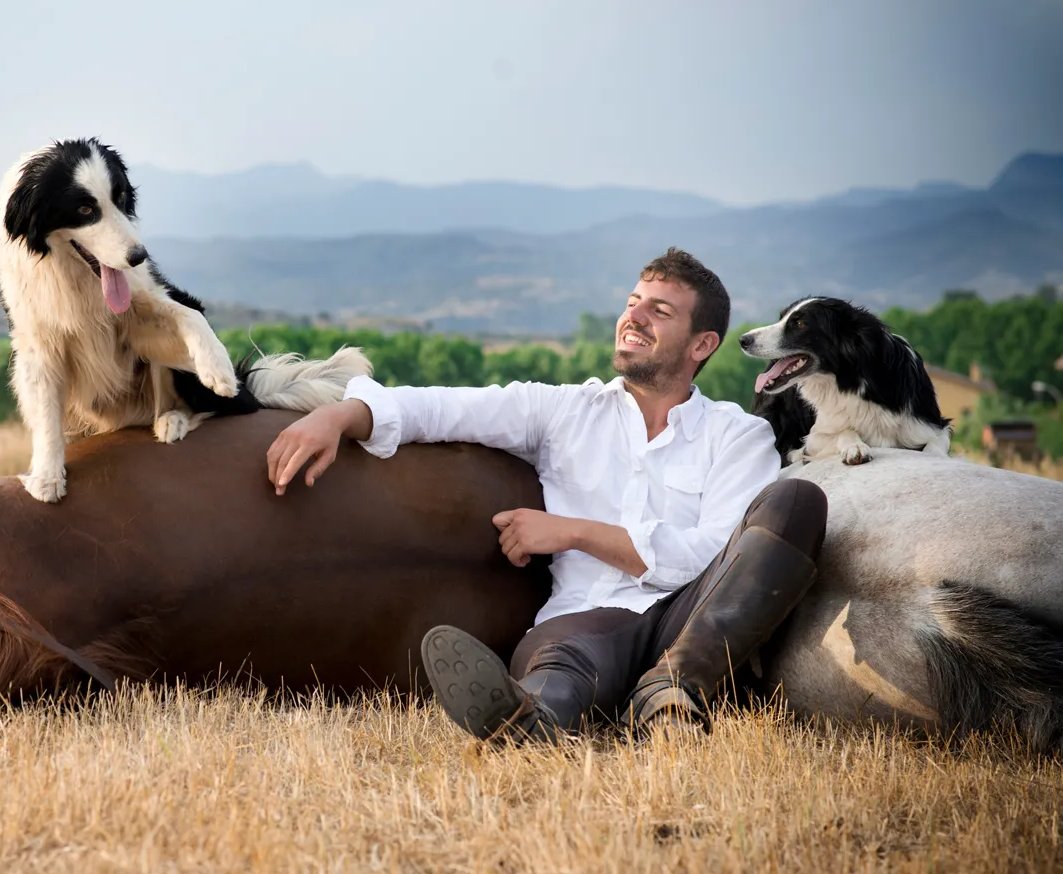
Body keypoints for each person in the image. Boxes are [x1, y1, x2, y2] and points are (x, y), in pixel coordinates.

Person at [265, 248, 827, 742]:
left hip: (693, 621)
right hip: (584, 625)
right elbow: (445, 407)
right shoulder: (562, 411)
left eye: (659, 311)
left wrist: (573, 532)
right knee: (559, 667)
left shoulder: (738, 434)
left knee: (798, 502)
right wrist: (341, 414)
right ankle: (530, 719)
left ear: (703, 343)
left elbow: (715, 557)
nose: (633, 317)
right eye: (632, 302)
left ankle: (673, 689)